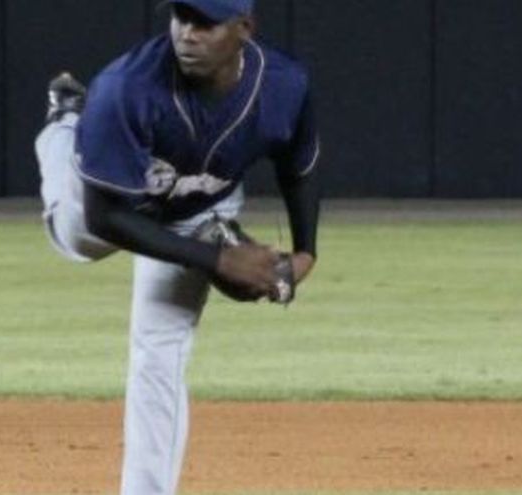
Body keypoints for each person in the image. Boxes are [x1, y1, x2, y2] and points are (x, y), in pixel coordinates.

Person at [35, 0, 321, 493]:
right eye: (181, 17)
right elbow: (106, 218)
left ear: (244, 28)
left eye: (205, 22)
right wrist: (218, 259)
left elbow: (298, 165)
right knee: (72, 235)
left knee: (159, 351)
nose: (187, 33)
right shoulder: (125, 88)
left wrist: (305, 252)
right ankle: (65, 122)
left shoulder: (284, 84)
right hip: (115, 201)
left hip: (201, 209)